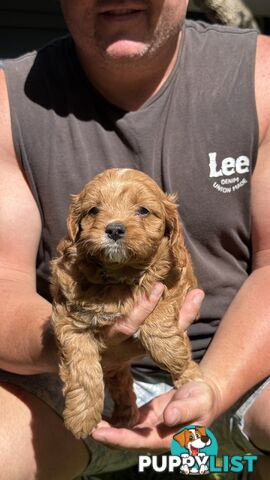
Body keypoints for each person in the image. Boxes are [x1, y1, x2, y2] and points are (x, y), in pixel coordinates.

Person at [0, 0, 270, 478]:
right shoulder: (8, 99)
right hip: (60, 376)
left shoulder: (260, 76)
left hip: (242, 367)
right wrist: (83, 346)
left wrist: (211, 384)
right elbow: (3, 281)